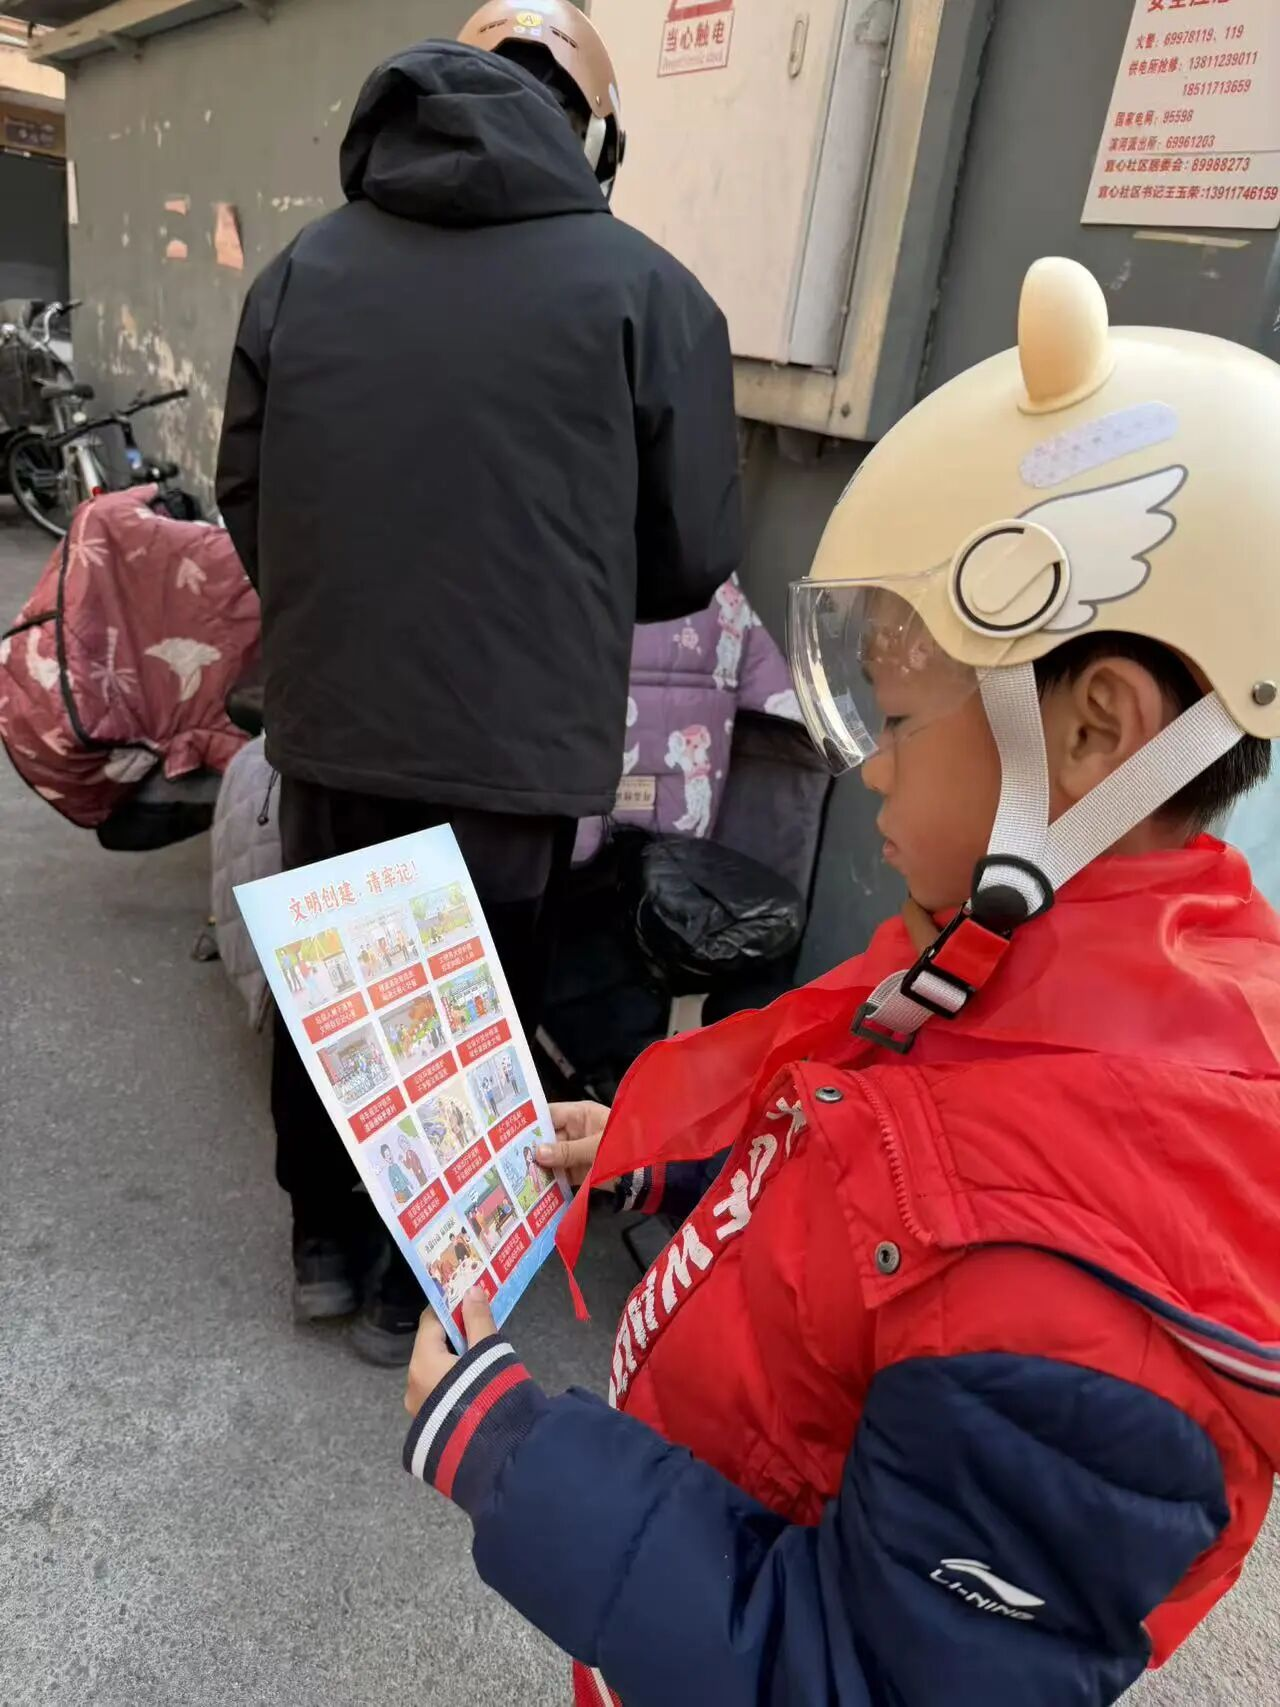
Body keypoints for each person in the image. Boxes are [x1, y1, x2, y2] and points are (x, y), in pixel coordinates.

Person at [400, 259, 1280, 1705]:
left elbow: (858, 1674)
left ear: (1095, 732)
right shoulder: (1028, 962)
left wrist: (503, 1447)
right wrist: (665, 1161)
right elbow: (862, 1185)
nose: (869, 765)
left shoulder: (1077, 1296)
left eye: (902, 711)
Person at [215, 0, 740, 1366]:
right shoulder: (648, 293)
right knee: (473, 996)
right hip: (521, 733)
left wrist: (343, 621)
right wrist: (564, 604)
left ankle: (322, 1247)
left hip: (336, 715)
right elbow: (692, 554)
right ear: (593, 137)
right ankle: (417, 1283)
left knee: (336, 981)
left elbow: (249, 497)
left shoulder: (303, 270)